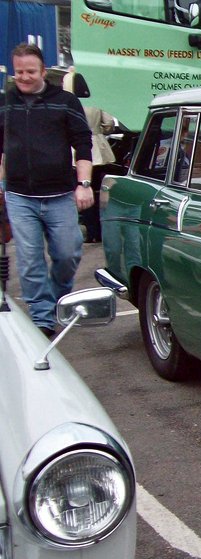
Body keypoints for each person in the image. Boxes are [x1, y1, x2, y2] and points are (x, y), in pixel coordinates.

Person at [0, 43, 94, 338]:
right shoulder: (5, 102)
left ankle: (55, 298)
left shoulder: (65, 101)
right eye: (18, 72)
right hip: (19, 196)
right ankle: (42, 317)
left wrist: (84, 184)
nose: (24, 77)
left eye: (30, 71)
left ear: (43, 71)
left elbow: (83, 144)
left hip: (60, 195)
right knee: (30, 260)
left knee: (67, 253)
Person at [63, 67, 116, 243]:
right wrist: (99, 130)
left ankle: (89, 230)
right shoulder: (96, 101)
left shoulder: (67, 102)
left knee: (80, 191)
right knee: (99, 193)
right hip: (98, 150)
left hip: (75, 152)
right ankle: (101, 230)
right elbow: (109, 124)